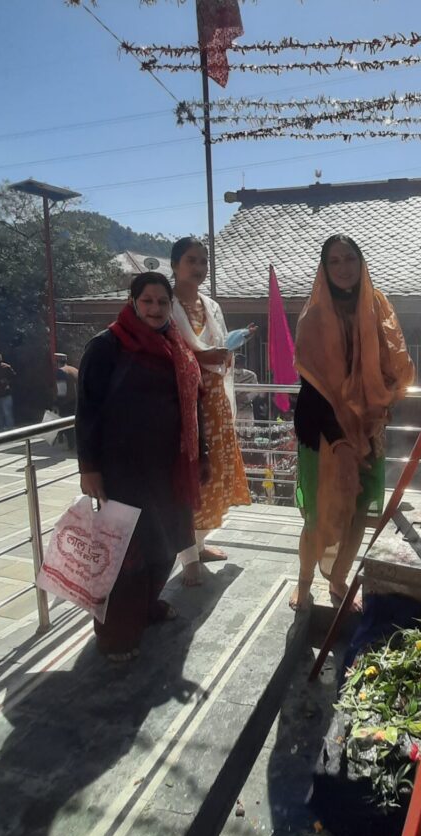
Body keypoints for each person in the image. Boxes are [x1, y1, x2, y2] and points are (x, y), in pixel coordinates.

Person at [76, 272, 205, 661]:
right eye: (147, 301)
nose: (154, 309)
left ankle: (147, 608)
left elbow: (193, 406)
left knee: (164, 544)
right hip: (123, 471)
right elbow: (88, 412)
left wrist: (203, 456)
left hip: (168, 467)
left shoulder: (174, 344)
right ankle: (115, 635)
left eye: (162, 302)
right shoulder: (107, 347)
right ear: (133, 302)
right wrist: (89, 468)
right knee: (126, 554)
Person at [292, 234, 415, 609]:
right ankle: (305, 581)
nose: (343, 268)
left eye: (350, 259)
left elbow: (395, 363)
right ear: (324, 269)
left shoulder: (378, 308)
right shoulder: (314, 318)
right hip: (326, 428)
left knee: (360, 509)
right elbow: (313, 390)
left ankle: (340, 579)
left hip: (368, 427)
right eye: (334, 261)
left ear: (361, 264)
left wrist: (383, 399)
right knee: (322, 511)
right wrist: (340, 441)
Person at [169, 236, 255, 586]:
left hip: (215, 400)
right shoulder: (165, 304)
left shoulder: (212, 305)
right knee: (189, 476)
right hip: (184, 403)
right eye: (192, 260)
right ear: (175, 264)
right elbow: (165, 353)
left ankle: (200, 543)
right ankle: (187, 557)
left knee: (213, 475)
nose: (199, 268)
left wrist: (226, 350)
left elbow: (216, 344)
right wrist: (202, 357)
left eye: (203, 262)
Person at [53, 353, 79, 449]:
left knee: (67, 425)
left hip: (67, 402)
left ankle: (71, 445)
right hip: (78, 401)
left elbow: (62, 391)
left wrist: (56, 403)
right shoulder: (74, 370)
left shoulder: (61, 372)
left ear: (57, 362)